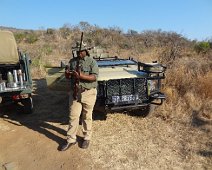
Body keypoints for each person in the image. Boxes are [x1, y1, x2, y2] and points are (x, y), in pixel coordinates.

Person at [59, 47, 99, 151]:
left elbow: (94, 77)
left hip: (88, 93)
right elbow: (68, 76)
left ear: (86, 51)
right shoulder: (72, 62)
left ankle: (86, 137)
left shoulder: (92, 62)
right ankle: (71, 139)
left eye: (81, 51)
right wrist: (67, 74)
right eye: (78, 51)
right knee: (73, 116)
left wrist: (81, 76)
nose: (79, 53)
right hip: (75, 92)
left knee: (87, 116)